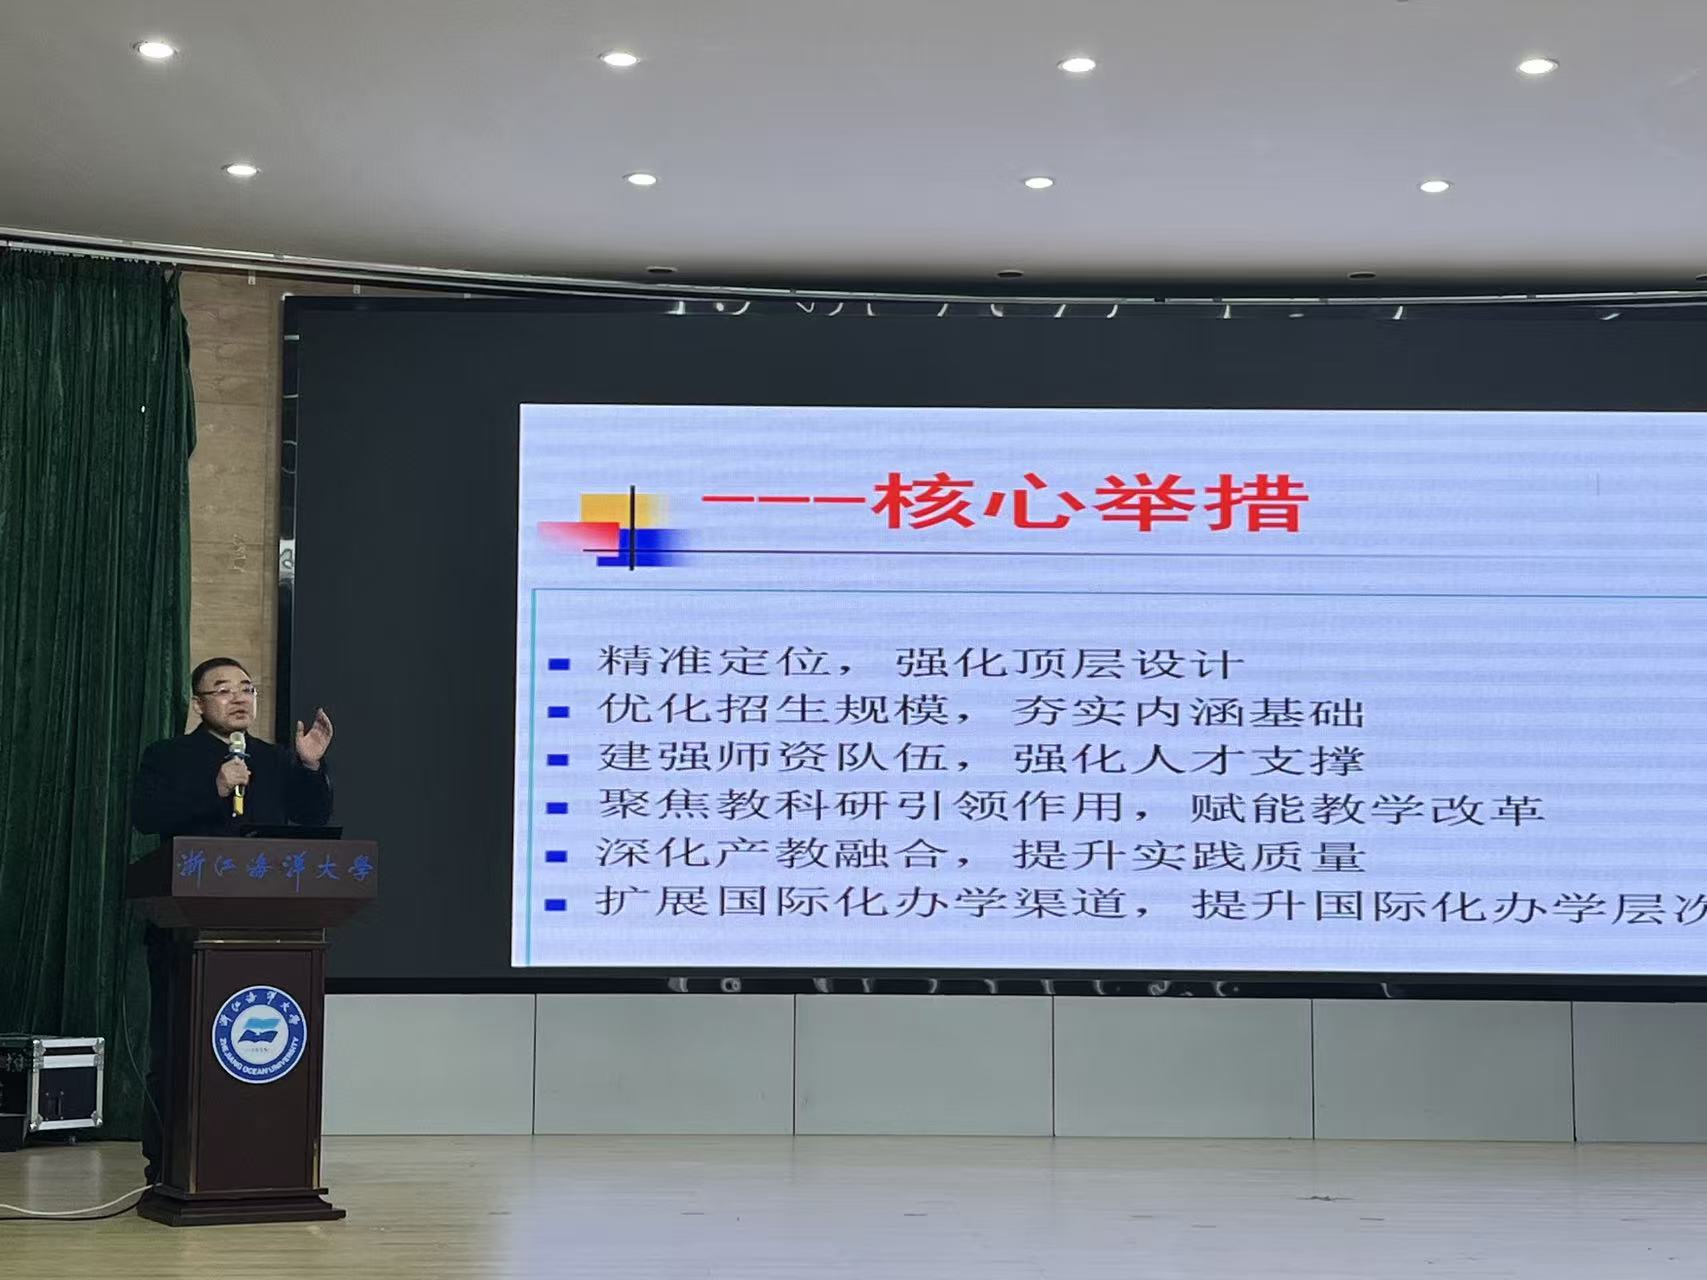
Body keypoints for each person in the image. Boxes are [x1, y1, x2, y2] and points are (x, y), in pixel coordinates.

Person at [131, 657, 336, 1183]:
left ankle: (263, 1160)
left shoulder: (275, 758)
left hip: (266, 928)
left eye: (247, 688)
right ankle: (170, 1166)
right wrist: (215, 787)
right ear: (198, 703)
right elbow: (146, 817)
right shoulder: (168, 755)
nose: (240, 697)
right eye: (223, 690)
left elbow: (312, 819)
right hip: (185, 929)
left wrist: (309, 767)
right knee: (177, 1048)